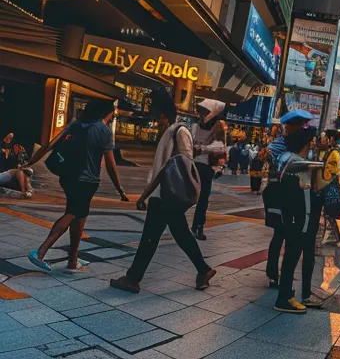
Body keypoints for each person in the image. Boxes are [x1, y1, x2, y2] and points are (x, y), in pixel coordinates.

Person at [110, 89, 216, 294]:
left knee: (151, 237)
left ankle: (133, 279)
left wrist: (145, 195)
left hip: (167, 195)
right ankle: (203, 269)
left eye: (154, 110)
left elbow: (181, 164)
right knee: (179, 234)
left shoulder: (180, 131)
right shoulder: (169, 131)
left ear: (162, 112)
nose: (152, 114)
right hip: (162, 194)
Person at [29, 99, 129, 272]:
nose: (113, 116)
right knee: (73, 213)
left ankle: (72, 260)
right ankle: (41, 251)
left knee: (79, 216)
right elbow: (111, 164)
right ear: (107, 112)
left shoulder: (77, 125)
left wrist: (32, 161)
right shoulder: (103, 131)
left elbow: (51, 144)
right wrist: (120, 189)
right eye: (113, 113)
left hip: (67, 177)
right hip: (87, 181)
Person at [268, 126, 325, 313]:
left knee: (290, 254)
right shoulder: (299, 164)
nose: (315, 145)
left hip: (287, 214)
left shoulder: (284, 157)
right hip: (298, 216)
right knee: (292, 255)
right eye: (312, 142)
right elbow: (306, 194)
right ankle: (284, 298)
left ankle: (287, 295)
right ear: (306, 143)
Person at [262, 110, 312, 288]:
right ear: (293, 125)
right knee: (280, 234)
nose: (303, 127)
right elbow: (268, 156)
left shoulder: (292, 142)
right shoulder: (282, 144)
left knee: (282, 234)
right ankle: (274, 274)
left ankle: (278, 275)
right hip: (278, 191)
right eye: (301, 124)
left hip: (283, 190)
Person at [188, 99, 230, 241]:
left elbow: (221, 148)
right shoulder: (196, 125)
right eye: (202, 111)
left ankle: (198, 226)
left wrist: (202, 148)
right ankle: (195, 226)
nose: (202, 114)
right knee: (195, 197)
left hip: (205, 166)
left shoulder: (218, 127)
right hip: (196, 164)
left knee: (201, 199)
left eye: (205, 111)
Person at [317, 130, 340, 245]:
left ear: (331, 139)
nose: (323, 139)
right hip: (327, 186)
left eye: (325, 137)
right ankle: (336, 235)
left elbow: (331, 172)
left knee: (330, 213)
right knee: (329, 214)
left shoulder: (334, 153)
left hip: (330, 187)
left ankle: (336, 236)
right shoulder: (329, 151)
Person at [0, 132, 33, 198]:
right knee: (18, 171)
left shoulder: (14, 149)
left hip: (8, 173)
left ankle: (28, 190)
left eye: (11, 138)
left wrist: (22, 166)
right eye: (7, 137)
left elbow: (22, 160)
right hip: (2, 173)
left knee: (23, 171)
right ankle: (23, 191)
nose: (8, 139)